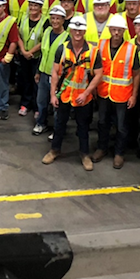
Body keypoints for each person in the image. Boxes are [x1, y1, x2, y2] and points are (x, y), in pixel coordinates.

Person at [43, 15, 96, 170]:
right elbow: (55, 73)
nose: (77, 32)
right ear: (70, 30)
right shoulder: (63, 49)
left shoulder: (92, 51)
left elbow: (98, 74)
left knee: (83, 127)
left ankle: (85, 154)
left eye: (80, 29)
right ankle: (54, 150)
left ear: (84, 30)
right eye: (75, 29)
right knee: (59, 124)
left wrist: (86, 93)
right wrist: (53, 94)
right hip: (65, 95)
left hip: (83, 98)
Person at [91, 15, 140, 169]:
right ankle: (102, 148)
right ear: (110, 30)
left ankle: (119, 153)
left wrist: (134, 95)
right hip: (103, 93)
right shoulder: (101, 45)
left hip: (123, 95)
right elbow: (94, 69)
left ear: (124, 31)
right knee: (102, 122)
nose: (116, 33)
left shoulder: (131, 49)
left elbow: (136, 73)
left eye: (119, 30)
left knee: (121, 126)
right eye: (114, 30)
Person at [34, 6, 69, 136]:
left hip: (57, 77)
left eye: (58, 19)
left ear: (63, 20)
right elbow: (43, 53)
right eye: (52, 18)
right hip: (44, 73)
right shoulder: (47, 31)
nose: (54, 21)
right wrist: (38, 71)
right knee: (41, 101)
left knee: (56, 105)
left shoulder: (66, 37)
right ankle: (41, 123)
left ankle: (57, 130)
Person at [15, 0, 46, 117]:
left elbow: (44, 39)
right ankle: (25, 104)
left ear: (40, 7)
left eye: (36, 5)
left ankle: (37, 107)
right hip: (24, 55)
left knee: (36, 82)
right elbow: (18, 35)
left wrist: (31, 52)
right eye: (31, 5)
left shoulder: (45, 20)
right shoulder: (23, 17)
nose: (33, 8)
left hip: (37, 57)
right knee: (25, 80)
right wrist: (23, 50)